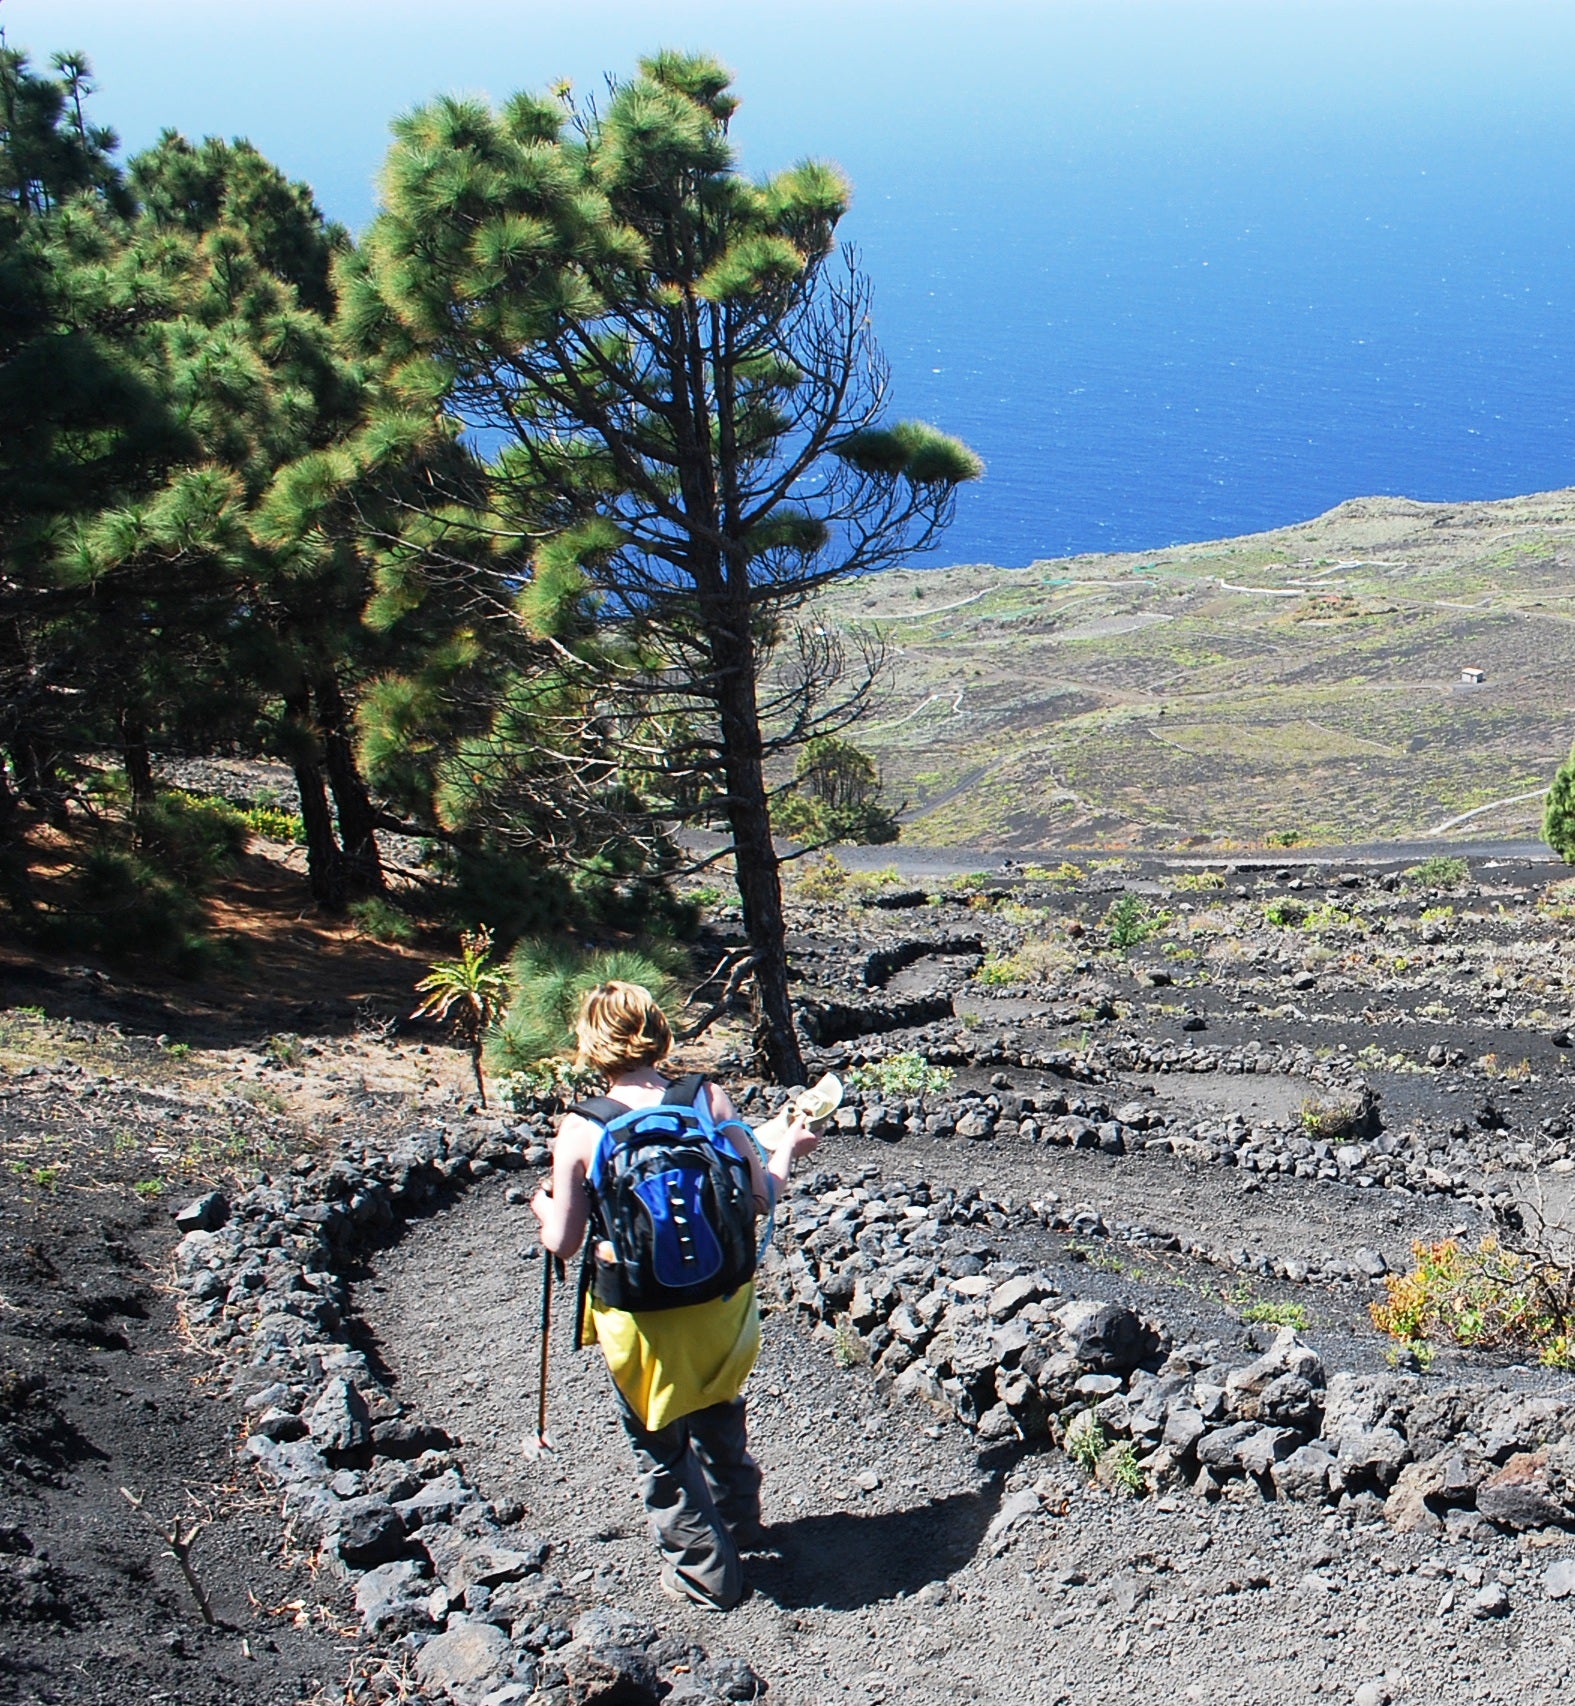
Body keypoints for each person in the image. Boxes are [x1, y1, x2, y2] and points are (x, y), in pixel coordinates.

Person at [530, 980, 819, 1611]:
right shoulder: (706, 1099)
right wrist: (788, 1150)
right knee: (719, 1410)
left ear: (591, 1044)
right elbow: (759, 1197)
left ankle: (705, 1572)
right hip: (721, 1304)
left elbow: (565, 1241)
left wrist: (541, 1203)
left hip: (639, 1315)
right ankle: (741, 1524)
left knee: (660, 1446)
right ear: (657, 1031)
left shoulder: (581, 1128)